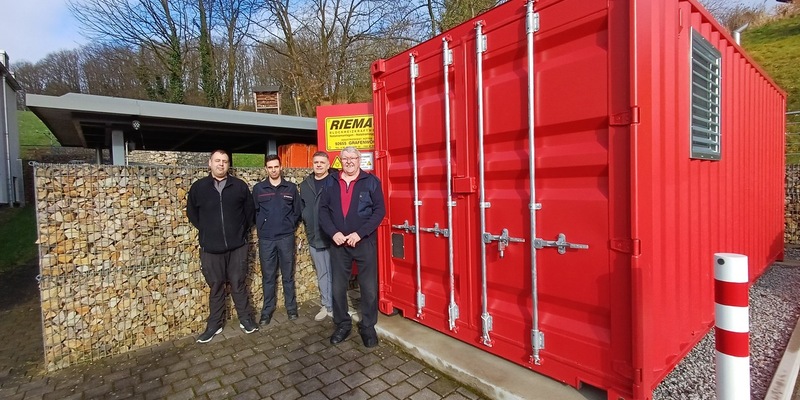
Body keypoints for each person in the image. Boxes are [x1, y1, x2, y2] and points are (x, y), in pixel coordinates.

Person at [186, 149, 259, 343]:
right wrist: (209, 231)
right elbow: (192, 214)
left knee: (238, 283)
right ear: (209, 163)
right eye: (217, 161)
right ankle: (214, 325)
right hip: (211, 249)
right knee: (216, 286)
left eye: (225, 161)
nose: (221, 164)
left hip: (237, 247)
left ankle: (246, 319)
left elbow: (249, 213)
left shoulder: (240, 187)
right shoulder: (199, 188)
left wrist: (239, 232)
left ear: (229, 165)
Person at [319, 146, 386, 348]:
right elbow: (322, 211)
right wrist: (334, 233)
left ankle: (367, 327)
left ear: (359, 160)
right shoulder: (331, 182)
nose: (349, 161)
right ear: (340, 161)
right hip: (339, 243)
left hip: (363, 242)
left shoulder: (371, 181)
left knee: (368, 288)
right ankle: (342, 324)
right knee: (338, 287)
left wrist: (360, 233)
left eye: (353, 158)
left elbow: (379, 211)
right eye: (345, 158)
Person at [253, 154, 301, 325]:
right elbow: (255, 212)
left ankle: (291, 308)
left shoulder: (291, 188)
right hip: (266, 239)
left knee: (288, 275)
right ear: (266, 169)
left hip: (286, 238)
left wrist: (289, 225)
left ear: (281, 167)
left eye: (276, 166)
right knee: (268, 276)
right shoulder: (259, 189)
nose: (273, 170)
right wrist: (263, 226)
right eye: (270, 167)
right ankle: (267, 311)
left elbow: (297, 211)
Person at [300, 151, 337, 321]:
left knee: (335, 273)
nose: (319, 165)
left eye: (322, 162)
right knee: (322, 273)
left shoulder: (335, 182)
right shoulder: (305, 184)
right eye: (316, 162)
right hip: (314, 237)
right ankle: (326, 304)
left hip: (333, 237)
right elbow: (302, 208)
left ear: (328, 165)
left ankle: (337, 305)